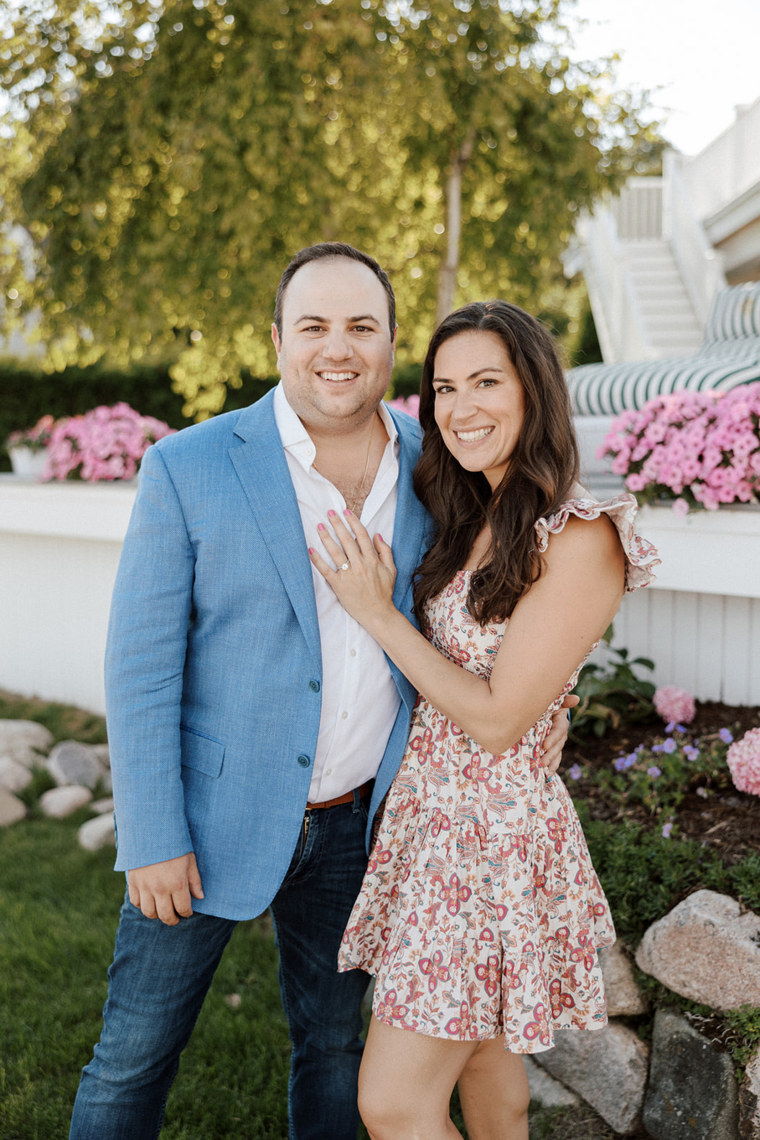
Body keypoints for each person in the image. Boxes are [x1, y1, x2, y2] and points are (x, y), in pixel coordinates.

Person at [69, 246, 573, 1140]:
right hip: (205, 817)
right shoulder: (188, 466)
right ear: (276, 340)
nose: (336, 349)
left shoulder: (440, 463)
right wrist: (151, 832)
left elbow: (500, 604)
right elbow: (141, 665)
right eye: (313, 327)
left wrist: (546, 699)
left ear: (388, 346)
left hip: (363, 828)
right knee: (134, 1054)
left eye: (361, 328)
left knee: (335, 1054)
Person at [309, 299, 660, 1140]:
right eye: (443, 388)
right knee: (486, 1072)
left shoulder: (582, 536)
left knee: (391, 1103)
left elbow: (500, 721)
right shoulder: (473, 516)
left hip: (488, 844)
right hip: (431, 825)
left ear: (533, 391)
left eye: (486, 383)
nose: (461, 409)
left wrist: (377, 612)